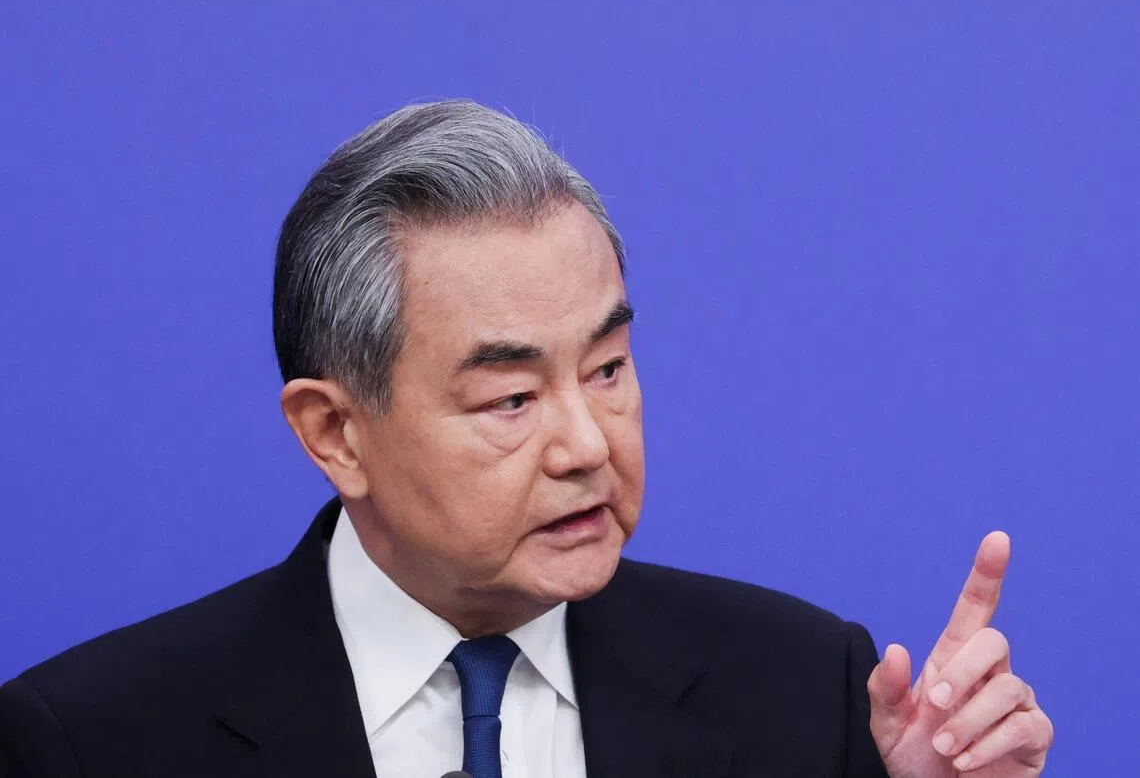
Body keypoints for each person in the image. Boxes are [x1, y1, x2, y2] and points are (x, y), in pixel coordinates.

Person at [0, 100, 1053, 778]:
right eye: (511, 400)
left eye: (607, 370)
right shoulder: (91, 744)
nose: (588, 443)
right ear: (335, 434)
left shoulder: (803, 693)